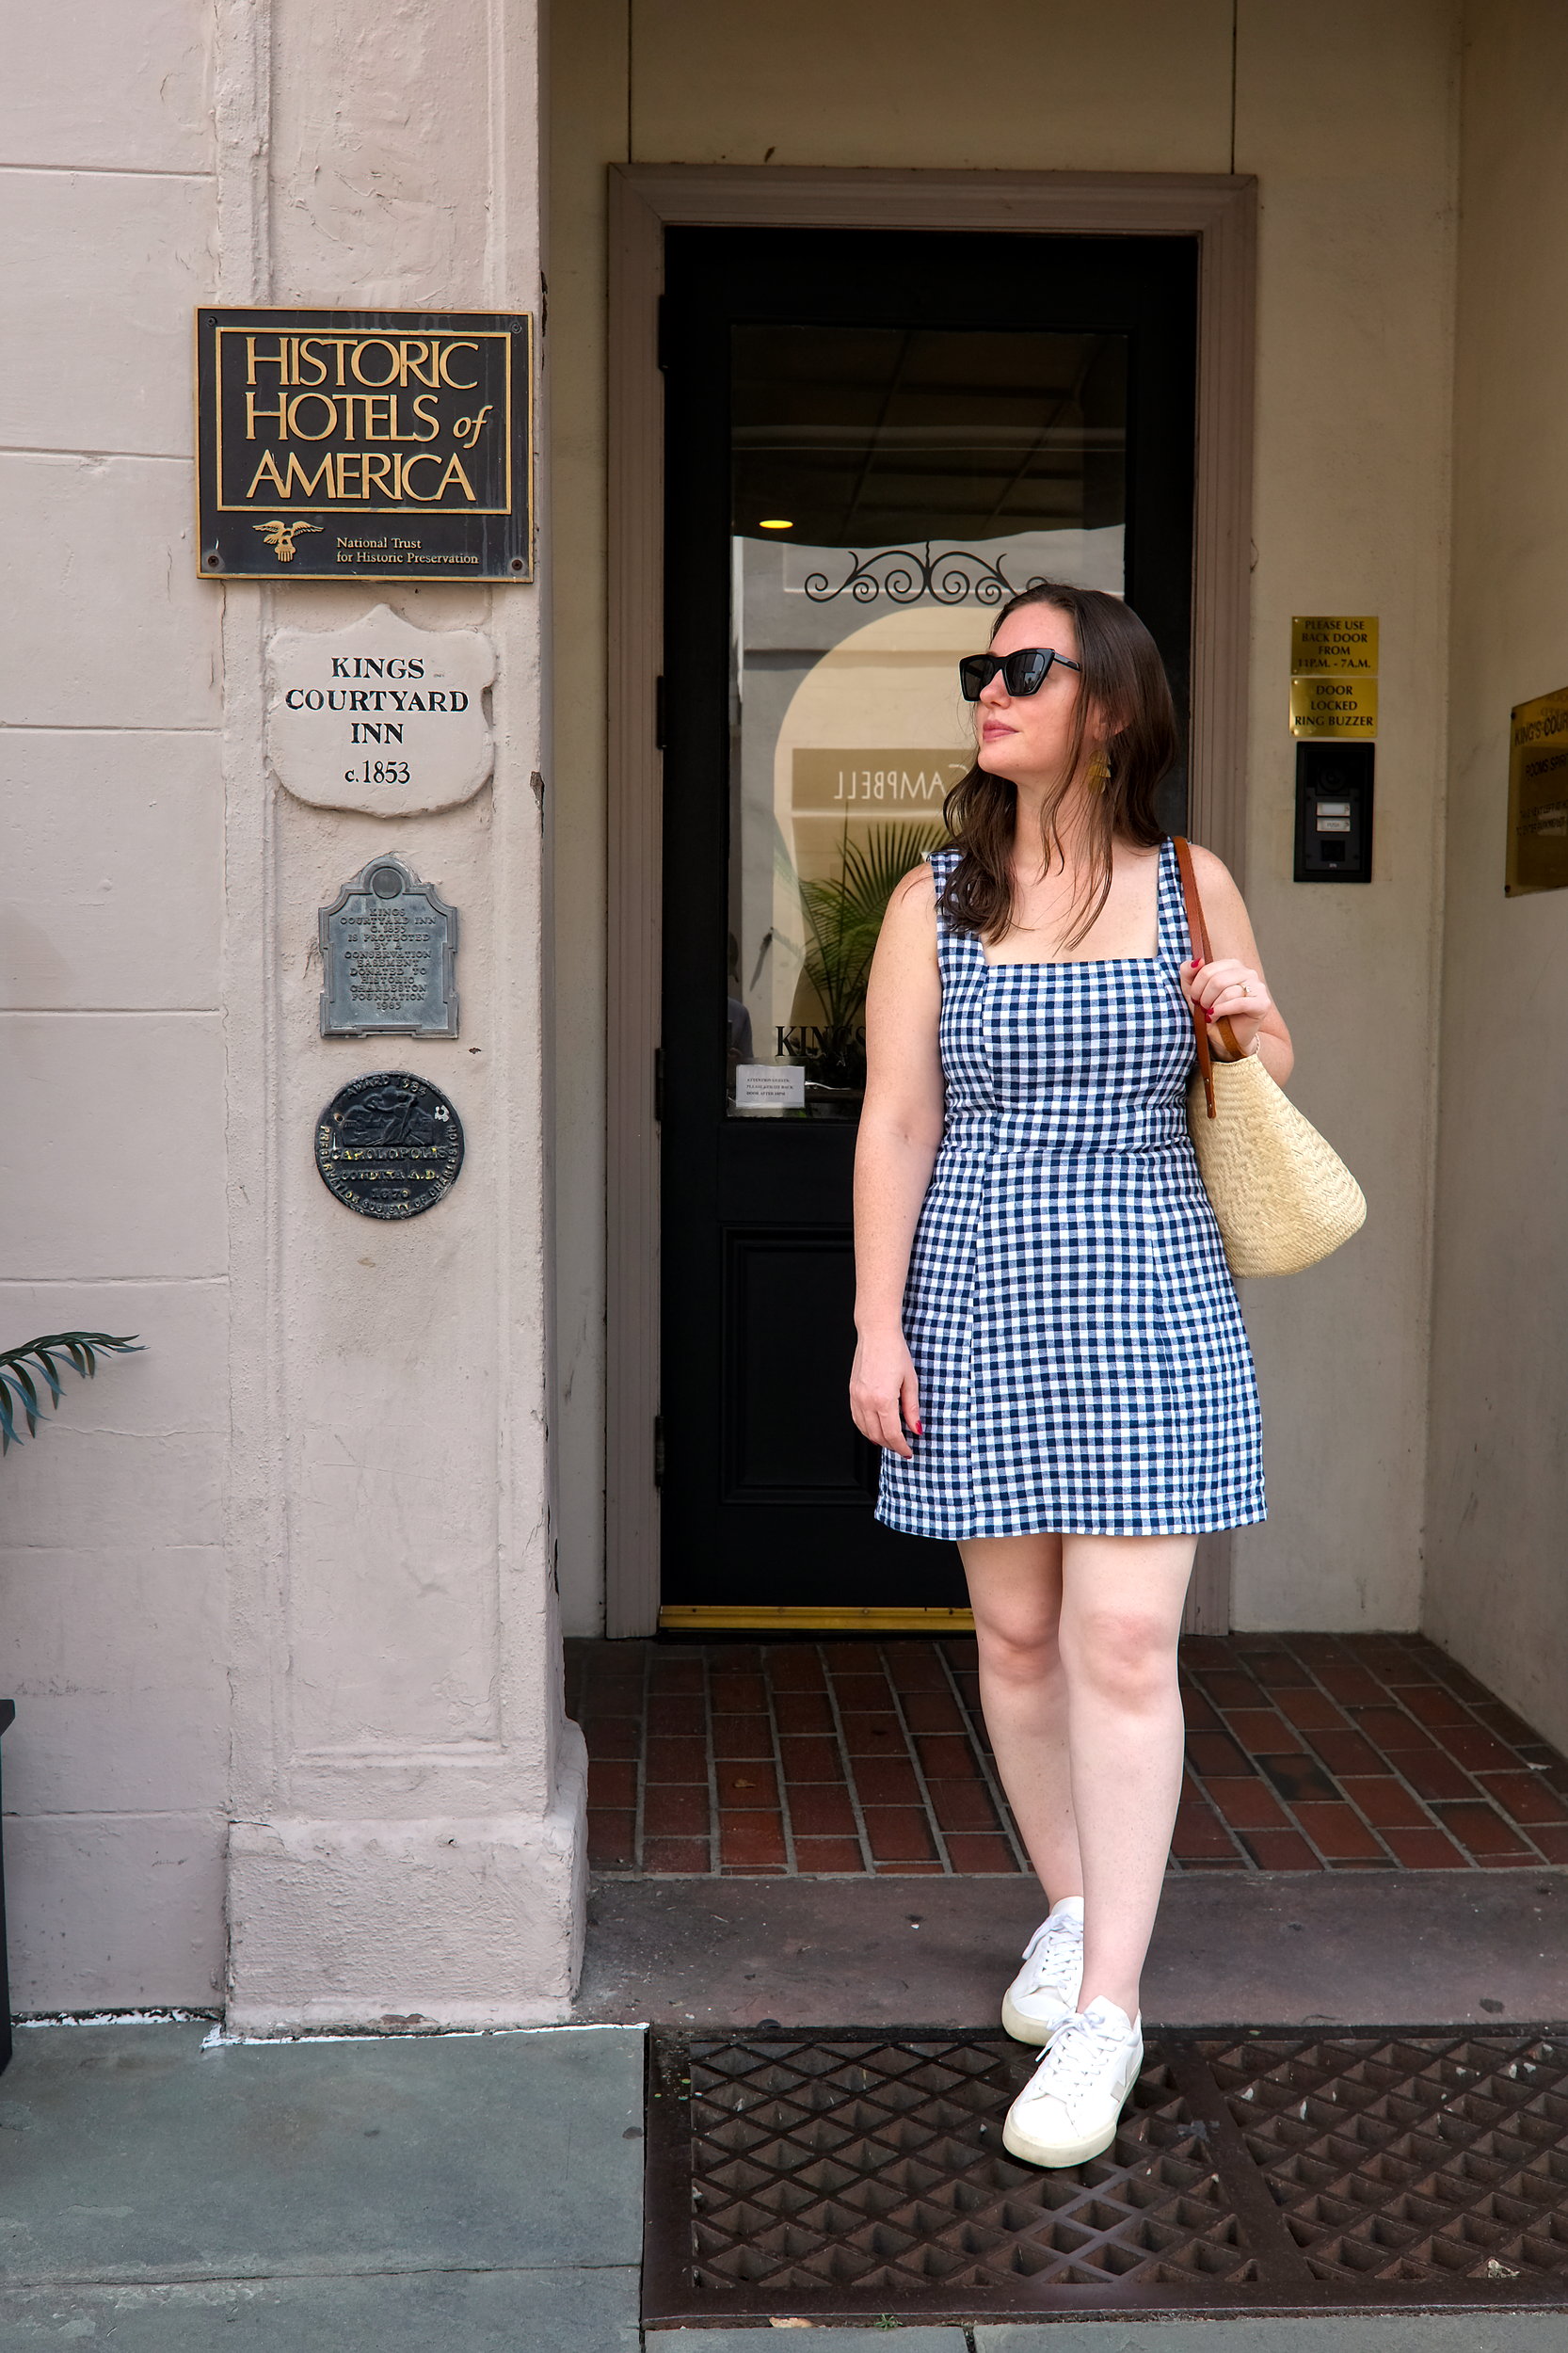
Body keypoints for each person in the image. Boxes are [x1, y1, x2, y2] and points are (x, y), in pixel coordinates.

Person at [850, 582, 1288, 2169]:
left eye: (1021, 667)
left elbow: (1259, 1073)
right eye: (982, 668)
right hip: (976, 1281)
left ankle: (1107, 2007)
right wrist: (874, 1323)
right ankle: (1070, 1908)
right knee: (1019, 1636)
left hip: (1149, 1281)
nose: (989, 688)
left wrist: (1241, 1020)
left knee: (1117, 1642)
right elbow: (898, 1120)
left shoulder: (1186, 880)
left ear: (1106, 704)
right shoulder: (933, 899)